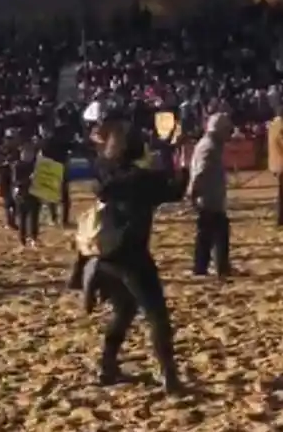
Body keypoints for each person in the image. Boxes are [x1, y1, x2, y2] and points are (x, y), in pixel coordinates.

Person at [82, 114, 188, 394]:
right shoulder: (141, 179)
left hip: (106, 255)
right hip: (133, 256)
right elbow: (175, 189)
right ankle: (169, 375)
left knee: (125, 310)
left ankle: (107, 365)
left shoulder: (103, 170)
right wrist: (175, 154)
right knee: (157, 315)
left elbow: (106, 163)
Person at [187, 113, 233, 279]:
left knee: (208, 234)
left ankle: (205, 267)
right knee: (215, 233)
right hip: (208, 197)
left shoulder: (212, 145)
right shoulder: (209, 147)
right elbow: (201, 172)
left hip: (211, 196)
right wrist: (193, 192)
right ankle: (218, 268)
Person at [267, 106, 283, 226]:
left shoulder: (273, 125)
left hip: (275, 162)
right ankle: (281, 218)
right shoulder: (281, 127)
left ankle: (280, 218)